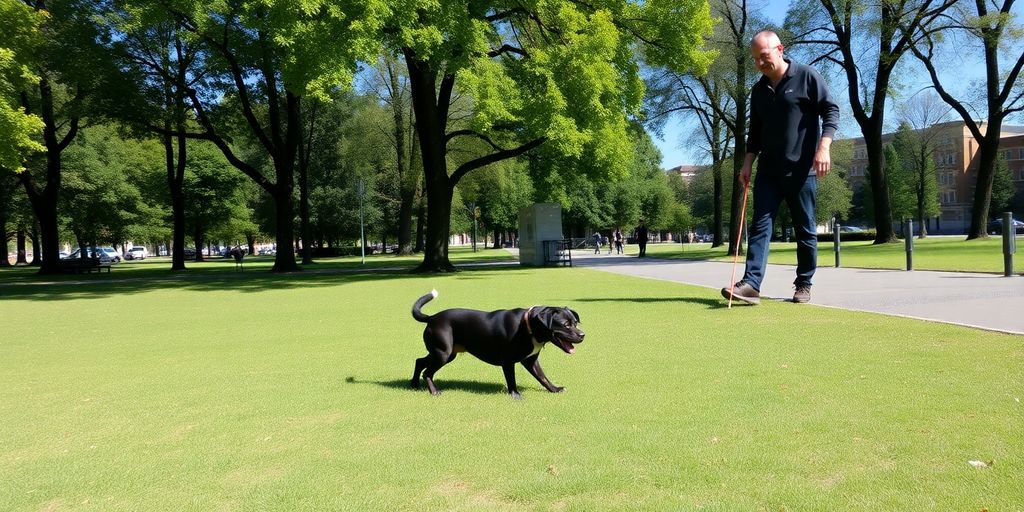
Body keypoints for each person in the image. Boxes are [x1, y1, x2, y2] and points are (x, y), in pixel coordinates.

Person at [721, 30, 839, 305]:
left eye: (764, 56)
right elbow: (755, 132)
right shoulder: (758, 90)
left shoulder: (807, 76)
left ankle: (804, 284)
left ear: (780, 49)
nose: (760, 63)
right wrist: (747, 164)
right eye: (756, 60)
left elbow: (831, 111)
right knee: (761, 226)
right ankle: (751, 284)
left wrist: (824, 147)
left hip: (801, 172)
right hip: (768, 173)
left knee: (805, 230)